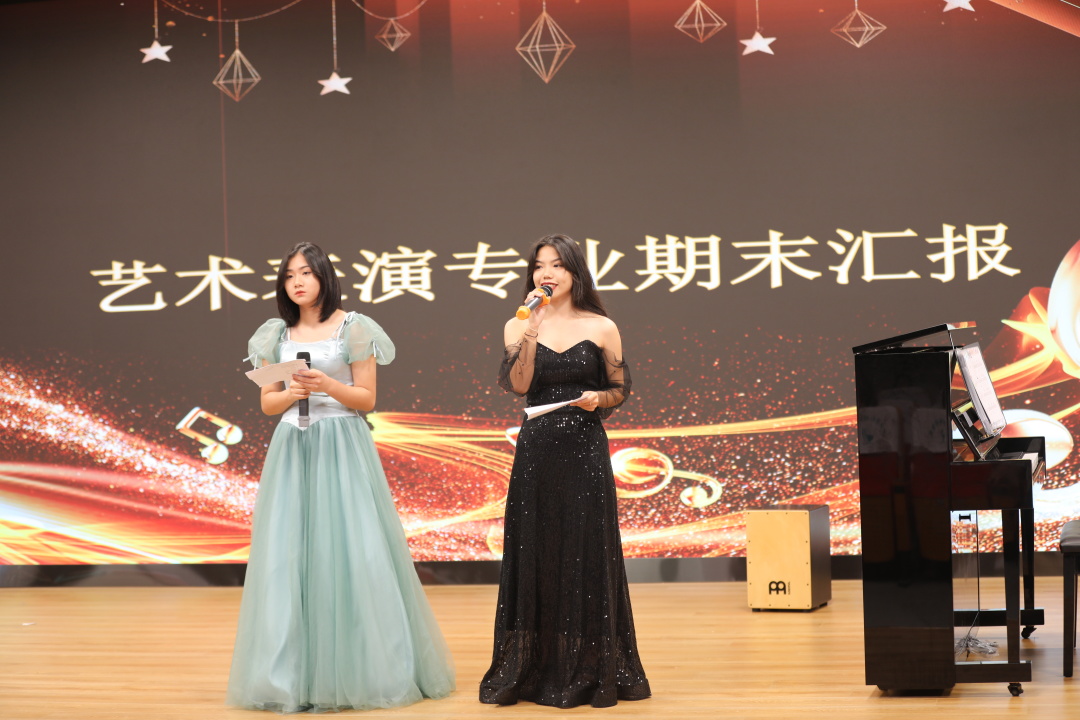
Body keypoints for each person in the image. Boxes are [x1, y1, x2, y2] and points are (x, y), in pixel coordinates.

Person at [227, 242, 455, 713]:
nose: (297, 282)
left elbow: (366, 399)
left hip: (341, 444)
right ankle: (288, 680)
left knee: (355, 549)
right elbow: (268, 403)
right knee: (287, 556)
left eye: (306, 273)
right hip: (293, 447)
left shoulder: (354, 327)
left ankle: (369, 671)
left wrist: (327, 385)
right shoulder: (274, 334)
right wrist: (293, 391)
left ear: (324, 277)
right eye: (289, 275)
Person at [479, 234, 651, 708]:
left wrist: (598, 398)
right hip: (537, 451)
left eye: (557, 265)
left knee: (584, 550)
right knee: (535, 548)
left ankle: (589, 666)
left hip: (584, 449)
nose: (547, 273)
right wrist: (531, 329)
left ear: (576, 272)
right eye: (539, 265)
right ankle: (532, 667)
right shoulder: (518, 323)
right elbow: (519, 385)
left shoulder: (602, 326)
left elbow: (619, 389)